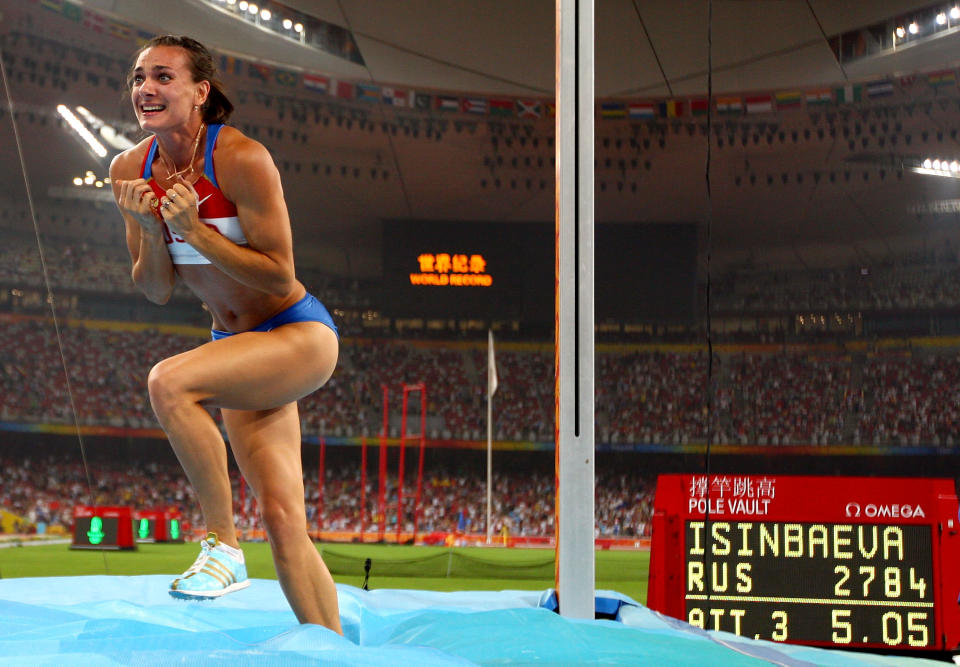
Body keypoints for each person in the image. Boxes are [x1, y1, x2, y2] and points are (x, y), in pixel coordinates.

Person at [109, 35, 342, 633]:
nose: (146, 89)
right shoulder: (129, 170)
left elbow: (279, 272)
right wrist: (150, 227)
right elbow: (156, 289)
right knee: (286, 518)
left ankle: (223, 546)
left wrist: (197, 230)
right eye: (139, 78)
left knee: (169, 383)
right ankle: (334, 649)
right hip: (235, 348)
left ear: (199, 92)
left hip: (296, 332)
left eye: (163, 77)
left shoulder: (240, 158)